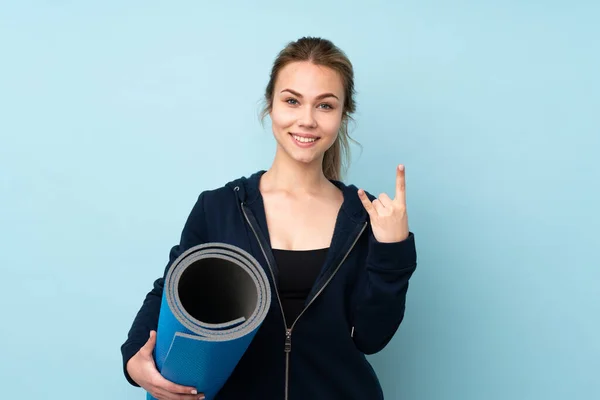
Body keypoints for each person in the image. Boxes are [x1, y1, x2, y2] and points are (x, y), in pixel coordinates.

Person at [121, 36, 417, 400]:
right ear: (271, 106)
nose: (306, 120)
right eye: (292, 101)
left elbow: (372, 338)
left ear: (343, 115)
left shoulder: (367, 216)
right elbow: (169, 291)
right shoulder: (219, 207)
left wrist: (393, 250)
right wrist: (134, 359)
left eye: (325, 106)